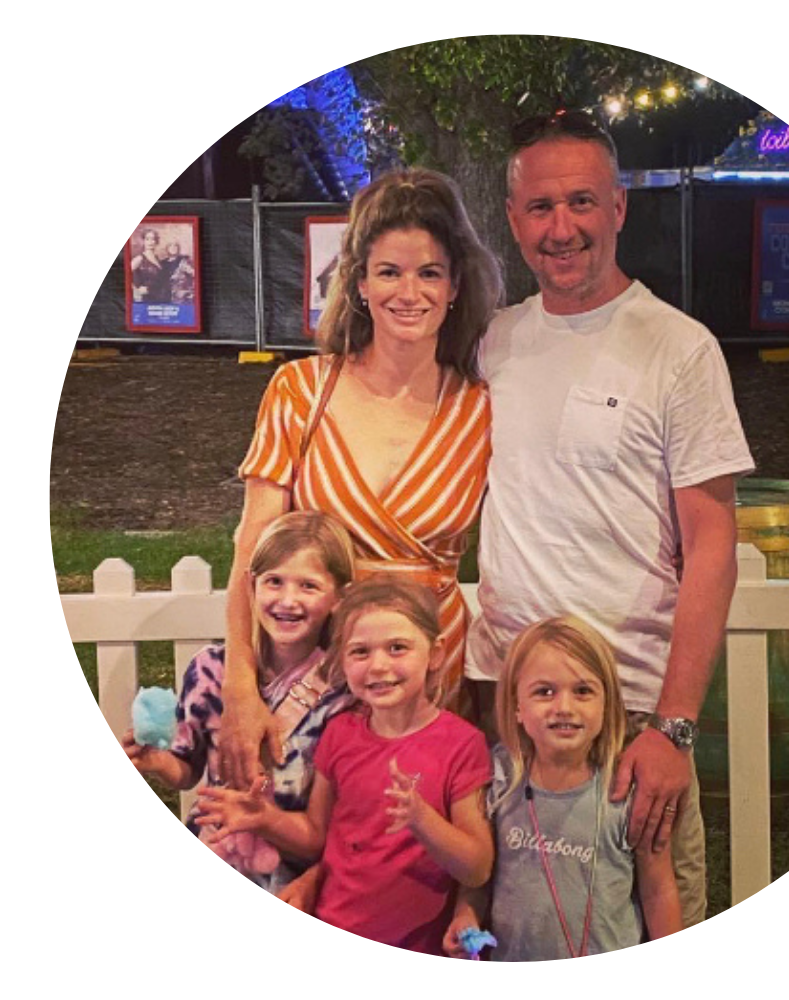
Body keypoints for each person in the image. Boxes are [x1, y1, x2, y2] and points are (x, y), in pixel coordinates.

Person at [464, 110, 756, 931]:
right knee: (517, 929)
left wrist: (673, 729)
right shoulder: (498, 342)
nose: (563, 229)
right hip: (508, 710)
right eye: (542, 207)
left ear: (619, 208)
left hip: (627, 715)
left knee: (659, 934)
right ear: (515, 219)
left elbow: (712, 545)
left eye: (582, 203)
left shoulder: (678, 348)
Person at [220, 168, 503, 790]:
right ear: (360, 284)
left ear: (455, 285)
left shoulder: (484, 408)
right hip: (315, 672)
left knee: (417, 860)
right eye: (389, 272)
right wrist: (240, 681)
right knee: (300, 864)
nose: (410, 291)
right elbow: (252, 546)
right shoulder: (299, 391)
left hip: (434, 671)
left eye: (429, 272)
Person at [198, 577, 494, 957]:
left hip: (415, 945)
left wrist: (423, 820)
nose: (379, 665)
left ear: (435, 654)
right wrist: (264, 818)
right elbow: (317, 836)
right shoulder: (340, 733)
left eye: (398, 648)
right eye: (360, 652)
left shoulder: (461, 744)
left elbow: (478, 868)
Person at [122, 510, 356, 894]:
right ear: (251, 587)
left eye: (309, 586)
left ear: (338, 596)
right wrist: (155, 761)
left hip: (299, 876)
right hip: (219, 857)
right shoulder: (211, 670)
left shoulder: (341, 691)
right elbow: (187, 770)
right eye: (274, 582)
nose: (287, 600)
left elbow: (337, 821)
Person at [444, 617, 680, 969]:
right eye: (544, 692)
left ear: (607, 703)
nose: (564, 707)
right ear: (517, 707)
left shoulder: (628, 789)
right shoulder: (498, 779)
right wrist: (465, 914)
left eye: (583, 691)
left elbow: (659, 892)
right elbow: (480, 876)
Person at [131, 228, 172, 303]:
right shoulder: (139, 258)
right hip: (147, 299)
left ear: (156, 242)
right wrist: (136, 291)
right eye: (147, 239)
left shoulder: (158, 259)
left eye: (153, 239)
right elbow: (124, 275)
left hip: (160, 297)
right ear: (143, 241)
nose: (150, 242)